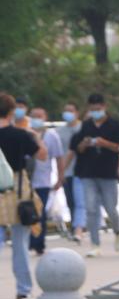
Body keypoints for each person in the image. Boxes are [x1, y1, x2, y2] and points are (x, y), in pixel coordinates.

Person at [0, 93, 47, 299]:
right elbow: (42, 155)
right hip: (18, 190)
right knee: (20, 243)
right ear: (12, 112)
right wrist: (35, 136)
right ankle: (23, 289)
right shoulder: (21, 135)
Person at [70, 93, 119, 258]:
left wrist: (103, 143)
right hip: (88, 173)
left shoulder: (114, 125)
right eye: (93, 109)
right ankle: (95, 243)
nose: (95, 112)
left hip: (108, 173)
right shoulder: (86, 125)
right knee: (91, 208)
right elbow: (77, 148)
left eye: (98, 109)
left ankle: (118, 231)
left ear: (104, 107)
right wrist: (85, 143)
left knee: (111, 208)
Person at [28, 107, 65, 255]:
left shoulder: (51, 136)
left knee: (40, 213)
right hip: (26, 181)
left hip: (43, 181)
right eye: (34, 116)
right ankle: (29, 241)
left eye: (39, 116)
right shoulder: (25, 133)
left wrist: (60, 177)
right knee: (26, 211)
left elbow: (59, 157)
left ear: (45, 117)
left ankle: (38, 242)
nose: (36, 119)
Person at [56, 102, 86, 241]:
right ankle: (76, 227)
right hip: (67, 171)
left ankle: (79, 228)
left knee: (81, 202)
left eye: (71, 111)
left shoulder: (83, 128)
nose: (68, 113)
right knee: (71, 201)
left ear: (77, 113)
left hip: (81, 171)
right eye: (66, 110)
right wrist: (61, 171)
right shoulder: (59, 131)